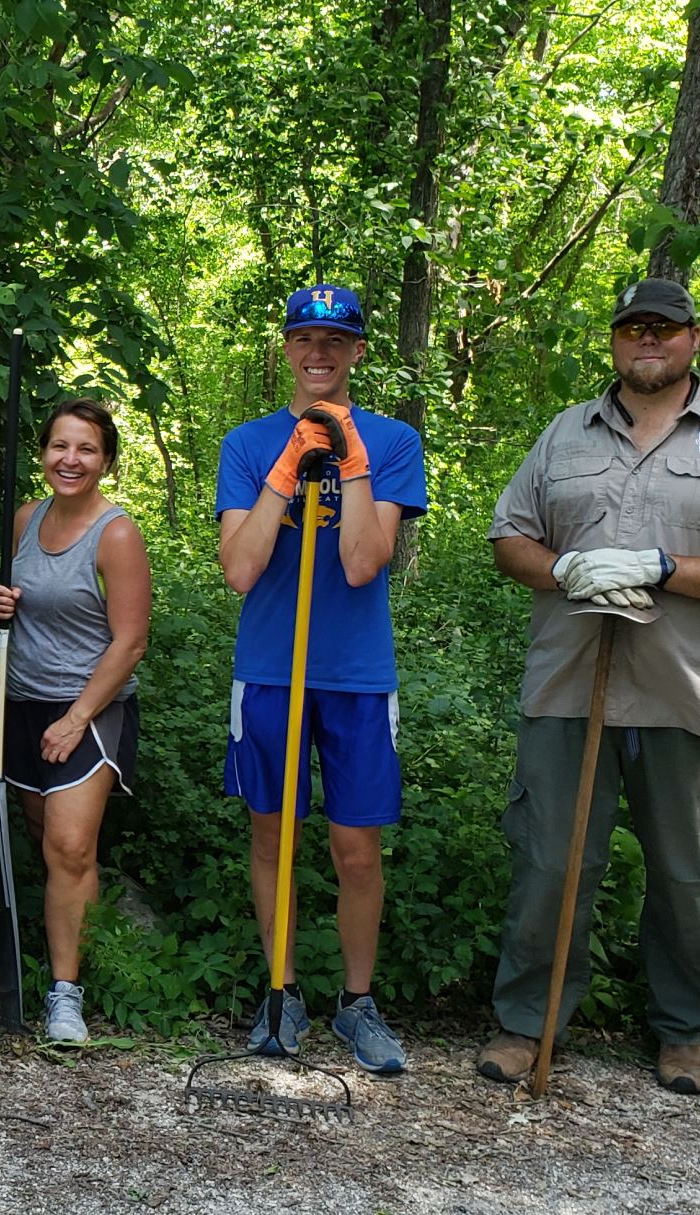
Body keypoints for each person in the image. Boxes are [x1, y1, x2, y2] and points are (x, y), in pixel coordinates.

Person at [476, 277, 700, 1095]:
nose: (647, 340)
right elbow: (509, 537)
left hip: (686, 692)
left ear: (695, 338)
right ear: (616, 341)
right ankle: (529, 1022)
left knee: (683, 870)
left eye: (664, 327)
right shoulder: (565, 435)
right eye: (633, 328)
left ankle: (682, 1030)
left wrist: (666, 568)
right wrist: (563, 567)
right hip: (567, 684)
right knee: (551, 863)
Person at [213, 284, 427, 1074]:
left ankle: (358, 1002)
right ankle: (282, 993)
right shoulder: (247, 442)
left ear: (358, 352)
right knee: (274, 832)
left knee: (356, 847)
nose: (319, 353)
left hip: (357, 673)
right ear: (286, 347)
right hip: (271, 668)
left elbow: (363, 560)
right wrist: (286, 467)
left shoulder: (395, 440)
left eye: (336, 340)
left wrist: (349, 455)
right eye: (304, 337)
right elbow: (240, 569)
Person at [0, 398, 152, 1043]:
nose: (70, 460)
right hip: (19, 702)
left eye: (85, 449)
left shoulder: (117, 534)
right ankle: (86, 951)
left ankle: (65, 994)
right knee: (46, 840)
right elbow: (11, 613)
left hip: (89, 708)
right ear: (43, 453)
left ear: (106, 459)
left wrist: (78, 718)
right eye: (59, 446)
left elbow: (130, 641)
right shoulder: (26, 519)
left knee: (72, 847)